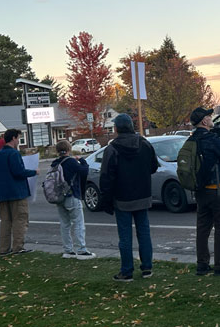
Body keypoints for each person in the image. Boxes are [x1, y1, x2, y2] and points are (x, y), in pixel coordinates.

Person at [99, 113, 159, 281]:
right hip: (143, 195)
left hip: (122, 198)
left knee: (125, 236)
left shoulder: (112, 149)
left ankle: (126, 271)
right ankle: (147, 268)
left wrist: (106, 199)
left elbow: (106, 176)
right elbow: (153, 166)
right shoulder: (145, 144)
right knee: (144, 232)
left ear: (117, 129)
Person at [189, 106, 220, 276]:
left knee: (202, 228)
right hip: (217, 189)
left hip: (200, 190)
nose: (211, 118)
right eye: (209, 116)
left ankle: (202, 264)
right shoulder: (212, 139)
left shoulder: (191, 140)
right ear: (204, 121)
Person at [0, 129, 38, 256]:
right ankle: (18, 247)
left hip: (2, 193)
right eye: (18, 138)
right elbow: (19, 172)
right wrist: (33, 172)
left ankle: (4, 249)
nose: (18, 141)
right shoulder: (13, 153)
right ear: (13, 138)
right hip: (17, 192)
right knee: (20, 219)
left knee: (5, 221)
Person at [51, 140, 94, 260]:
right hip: (71, 195)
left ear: (57, 151)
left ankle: (68, 250)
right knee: (78, 223)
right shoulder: (70, 161)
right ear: (69, 149)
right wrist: (82, 160)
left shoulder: (55, 163)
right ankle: (81, 250)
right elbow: (84, 171)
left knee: (65, 224)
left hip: (59, 197)